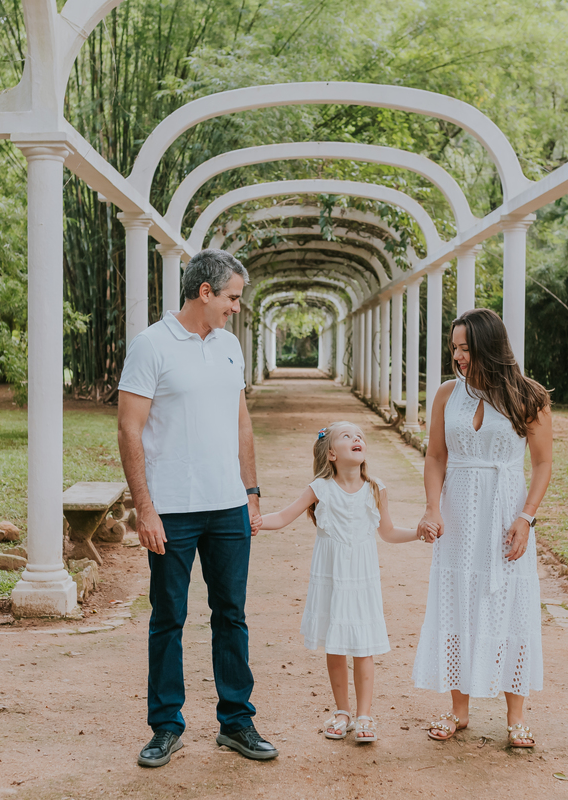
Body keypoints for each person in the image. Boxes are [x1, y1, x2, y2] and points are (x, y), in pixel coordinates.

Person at [117, 249, 277, 768]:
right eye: (232, 297)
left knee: (231, 614)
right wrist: (146, 509)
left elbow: (242, 424)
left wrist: (251, 492)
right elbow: (129, 429)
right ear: (204, 292)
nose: (236, 307)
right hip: (174, 509)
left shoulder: (230, 347)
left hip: (228, 505)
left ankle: (237, 721)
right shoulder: (151, 346)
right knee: (169, 618)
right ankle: (166, 725)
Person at [412, 308, 553, 748]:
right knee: (457, 603)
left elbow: (544, 462)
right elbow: (436, 457)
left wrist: (526, 517)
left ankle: (516, 717)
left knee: (512, 604)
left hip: (505, 512)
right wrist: (432, 509)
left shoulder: (528, 396)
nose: (457, 356)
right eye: (454, 348)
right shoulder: (446, 394)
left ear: (488, 348)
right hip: (457, 515)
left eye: (465, 348)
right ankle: (459, 710)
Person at [258, 421, 421, 743]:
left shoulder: (376, 488)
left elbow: (387, 532)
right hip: (331, 578)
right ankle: (342, 711)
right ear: (331, 453)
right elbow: (282, 517)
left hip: (361, 579)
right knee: (335, 646)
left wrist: (419, 532)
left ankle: (364, 714)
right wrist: (252, 522)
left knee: (363, 646)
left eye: (359, 435)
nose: (356, 438)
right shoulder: (320, 488)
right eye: (346, 436)